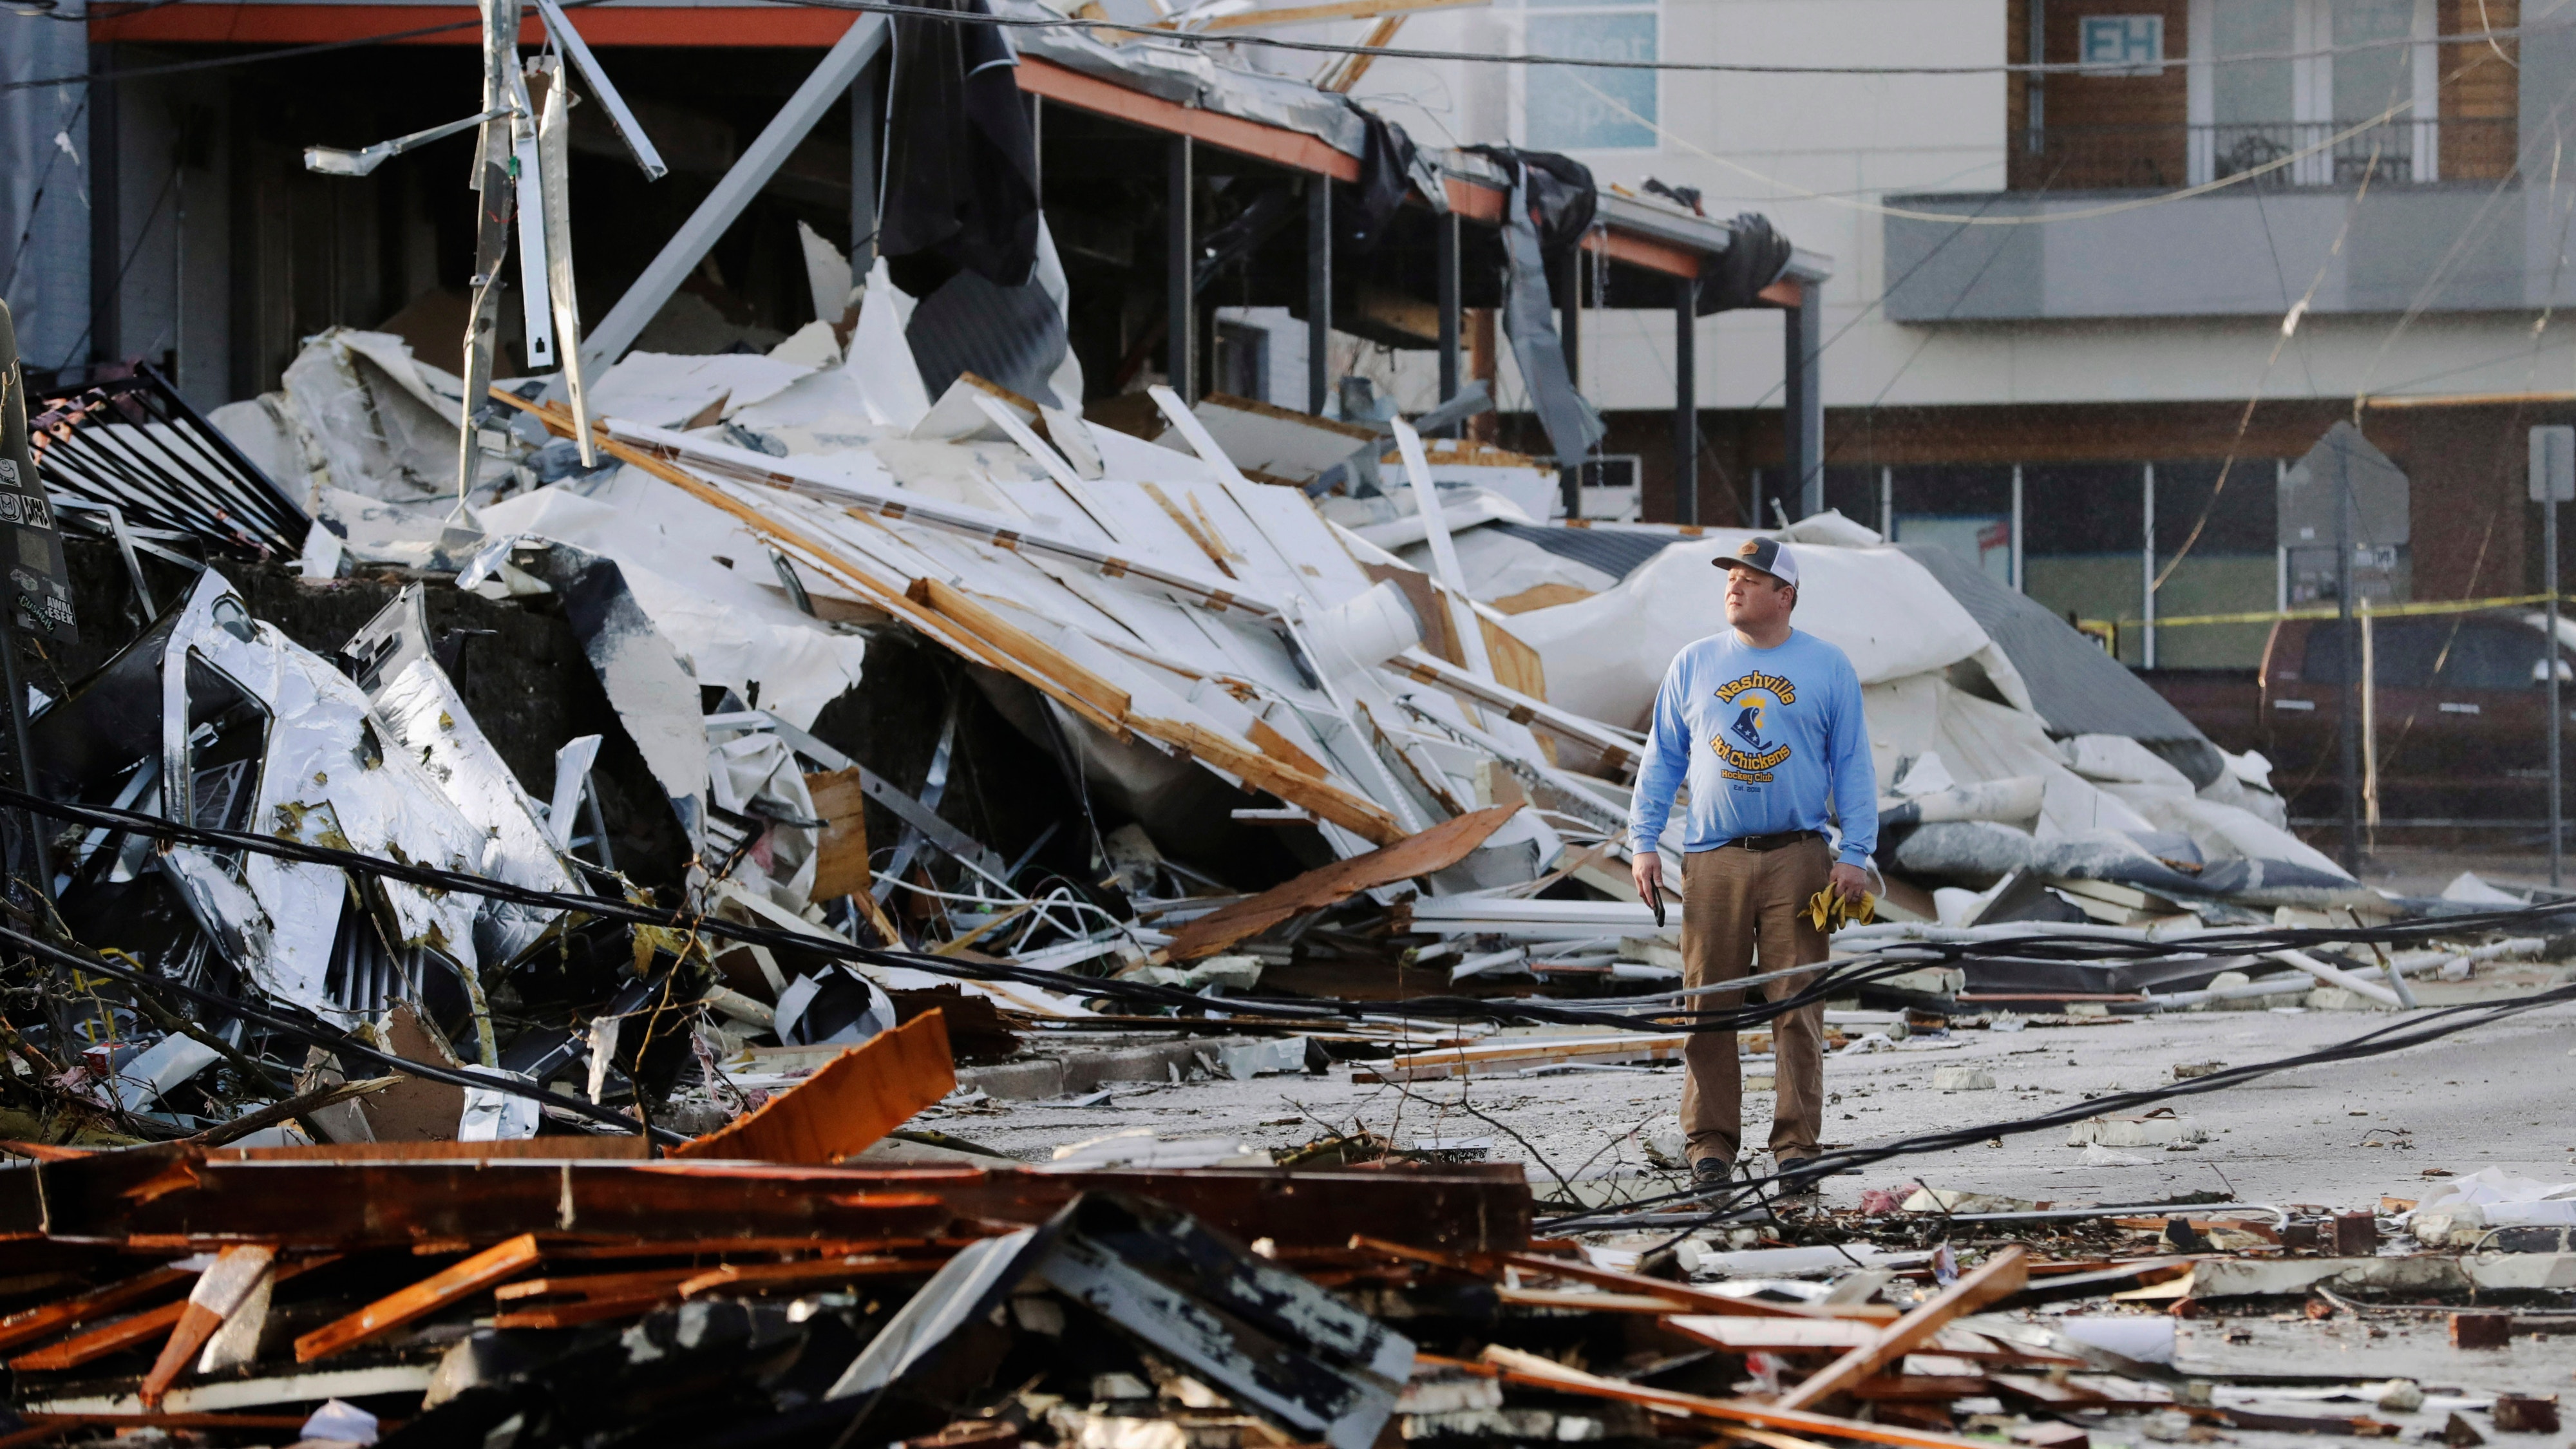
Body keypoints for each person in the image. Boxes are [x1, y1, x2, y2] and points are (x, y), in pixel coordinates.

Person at [1627, 536, 1875, 1193]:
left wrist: (1854, 853)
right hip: (1713, 860)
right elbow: (1662, 759)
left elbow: (1852, 764)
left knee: (1798, 1008)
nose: (1734, 587)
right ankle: (1710, 1146)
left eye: (1751, 579)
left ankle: (1796, 1148)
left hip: (1798, 857)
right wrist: (1643, 840)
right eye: (1731, 577)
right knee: (1707, 1005)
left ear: (1785, 596)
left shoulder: (1826, 666)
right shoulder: (1695, 663)